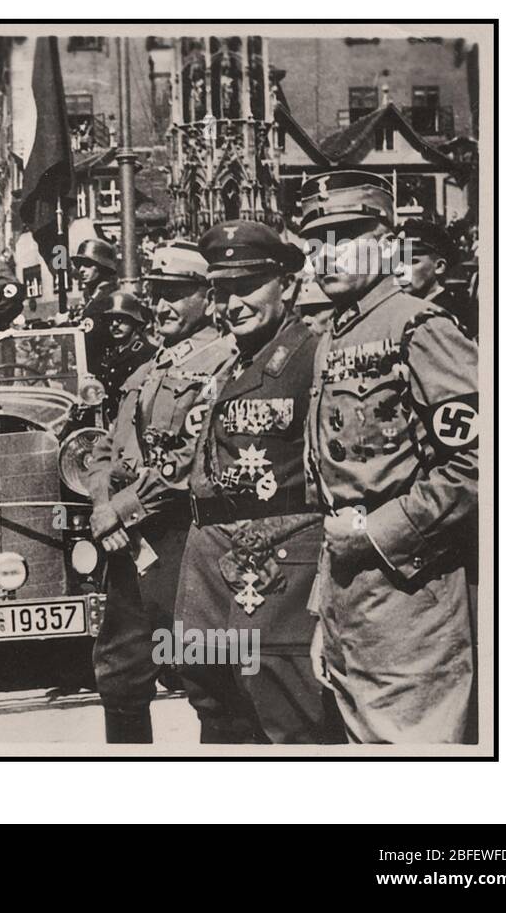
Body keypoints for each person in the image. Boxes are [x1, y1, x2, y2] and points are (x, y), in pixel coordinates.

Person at [301, 172, 478, 743]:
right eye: (316, 242)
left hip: (413, 593)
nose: (328, 255)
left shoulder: (419, 327)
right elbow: (337, 490)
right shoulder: (333, 335)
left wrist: (381, 530)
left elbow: (482, 461)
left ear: (386, 239)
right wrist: (324, 611)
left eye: (346, 235)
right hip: (351, 601)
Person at [172, 219, 342, 744]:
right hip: (209, 558)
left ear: (288, 285)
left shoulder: (314, 357)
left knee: (284, 702)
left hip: (274, 559)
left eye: (247, 286)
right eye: (222, 291)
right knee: (209, 690)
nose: (233, 303)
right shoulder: (230, 362)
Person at [85, 241, 238, 743]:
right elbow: (106, 446)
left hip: (184, 539)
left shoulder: (222, 363)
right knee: (120, 675)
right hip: (128, 543)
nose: (162, 305)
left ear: (208, 297)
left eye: (176, 294)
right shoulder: (150, 368)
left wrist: (120, 512)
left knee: (207, 674)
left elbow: (191, 459)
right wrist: (102, 504)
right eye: (157, 293)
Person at [395, 217, 477, 339]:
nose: (399, 270)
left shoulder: (454, 313)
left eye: (411, 261)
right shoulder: (401, 307)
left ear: (439, 266)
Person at [91, 290, 155, 416]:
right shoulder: (112, 351)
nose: (114, 324)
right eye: (110, 320)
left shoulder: (147, 352)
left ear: (135, 321)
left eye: (120, 319)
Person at [68, 236, 121, 365]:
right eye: (79, 265)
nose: (81, 270)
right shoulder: (92, 297)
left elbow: (88, 340)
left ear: (102, 266)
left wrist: (63, 326)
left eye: (87, 265)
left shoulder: (107, 299)